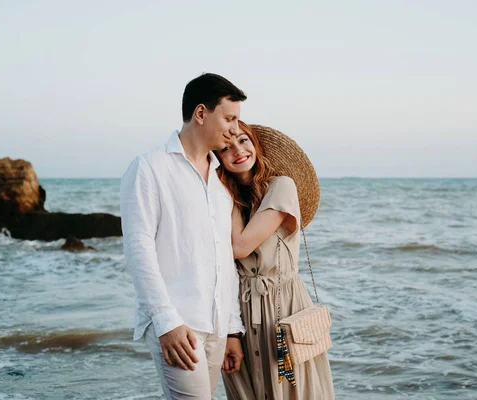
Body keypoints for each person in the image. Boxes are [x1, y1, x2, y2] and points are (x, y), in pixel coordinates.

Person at [120, 73, 248, 399]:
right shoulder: (150, 167)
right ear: (201, 113)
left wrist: (231, 329)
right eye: (229, 118)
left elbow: (223, 260)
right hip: (179, 323)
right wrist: (167, 322)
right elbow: (139, 248)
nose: (236, 128)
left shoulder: (220, 183)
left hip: (216, 327)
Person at [217, 121, 335, 399]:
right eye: (225, 148)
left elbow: (240, 247)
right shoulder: (222, 198)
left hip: (284, 305)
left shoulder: (282, 186)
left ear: (256, 145)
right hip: (239, 310)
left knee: (295, 392)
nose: (238, 150)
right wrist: (230, 332)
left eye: (244, 140)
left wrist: (224, 191)